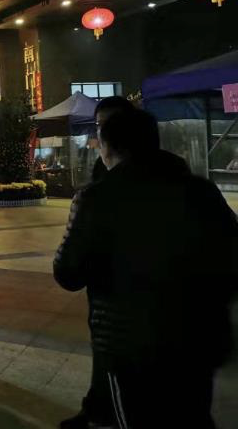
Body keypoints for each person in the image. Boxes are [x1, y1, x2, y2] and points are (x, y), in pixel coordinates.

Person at [54, 108, 238, 428]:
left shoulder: (97, 199)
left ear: (108, 147)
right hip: (197, 337)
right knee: (194, 417)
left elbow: (68, 273)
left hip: (130, 344)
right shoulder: (200, 190)